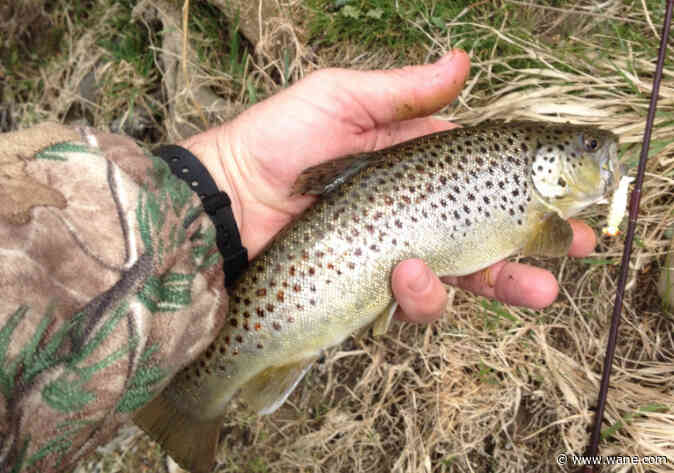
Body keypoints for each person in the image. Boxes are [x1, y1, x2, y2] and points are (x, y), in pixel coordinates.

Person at [0, 49, 596, 472]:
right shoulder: (539, 212)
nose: (596, 154)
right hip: (315, 266)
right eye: (586, 149)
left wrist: (217, 184)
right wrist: (216, 185)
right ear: (546, 161)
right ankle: (189, 402)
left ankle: (193, 396)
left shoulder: (538, 205)